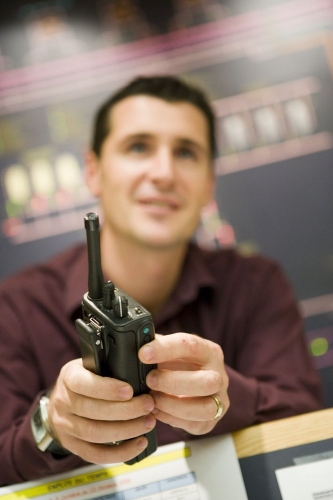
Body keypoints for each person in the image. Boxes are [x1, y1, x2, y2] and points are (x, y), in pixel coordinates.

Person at [0, 75, 323, 485]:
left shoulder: (256, 285)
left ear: (209, 183)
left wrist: (227, 398)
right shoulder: (14, 308)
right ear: (93, 170)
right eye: (138, 147)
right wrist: (52, 425)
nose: (164, 172)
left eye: (186, 152)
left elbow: (308, 433)